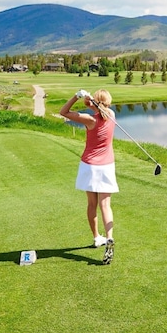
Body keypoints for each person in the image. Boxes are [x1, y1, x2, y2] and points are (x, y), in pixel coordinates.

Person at [60, 89, 118, 265]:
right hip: (107, 166)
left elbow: (63, 112)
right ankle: (109, 238)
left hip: (90, 166)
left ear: (95, 102)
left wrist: (77, 97)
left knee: (92, 204)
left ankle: (96, 237)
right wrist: (91, 101)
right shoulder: (112, 114)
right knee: (105, 205)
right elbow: (101, 110)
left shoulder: (89, 119)